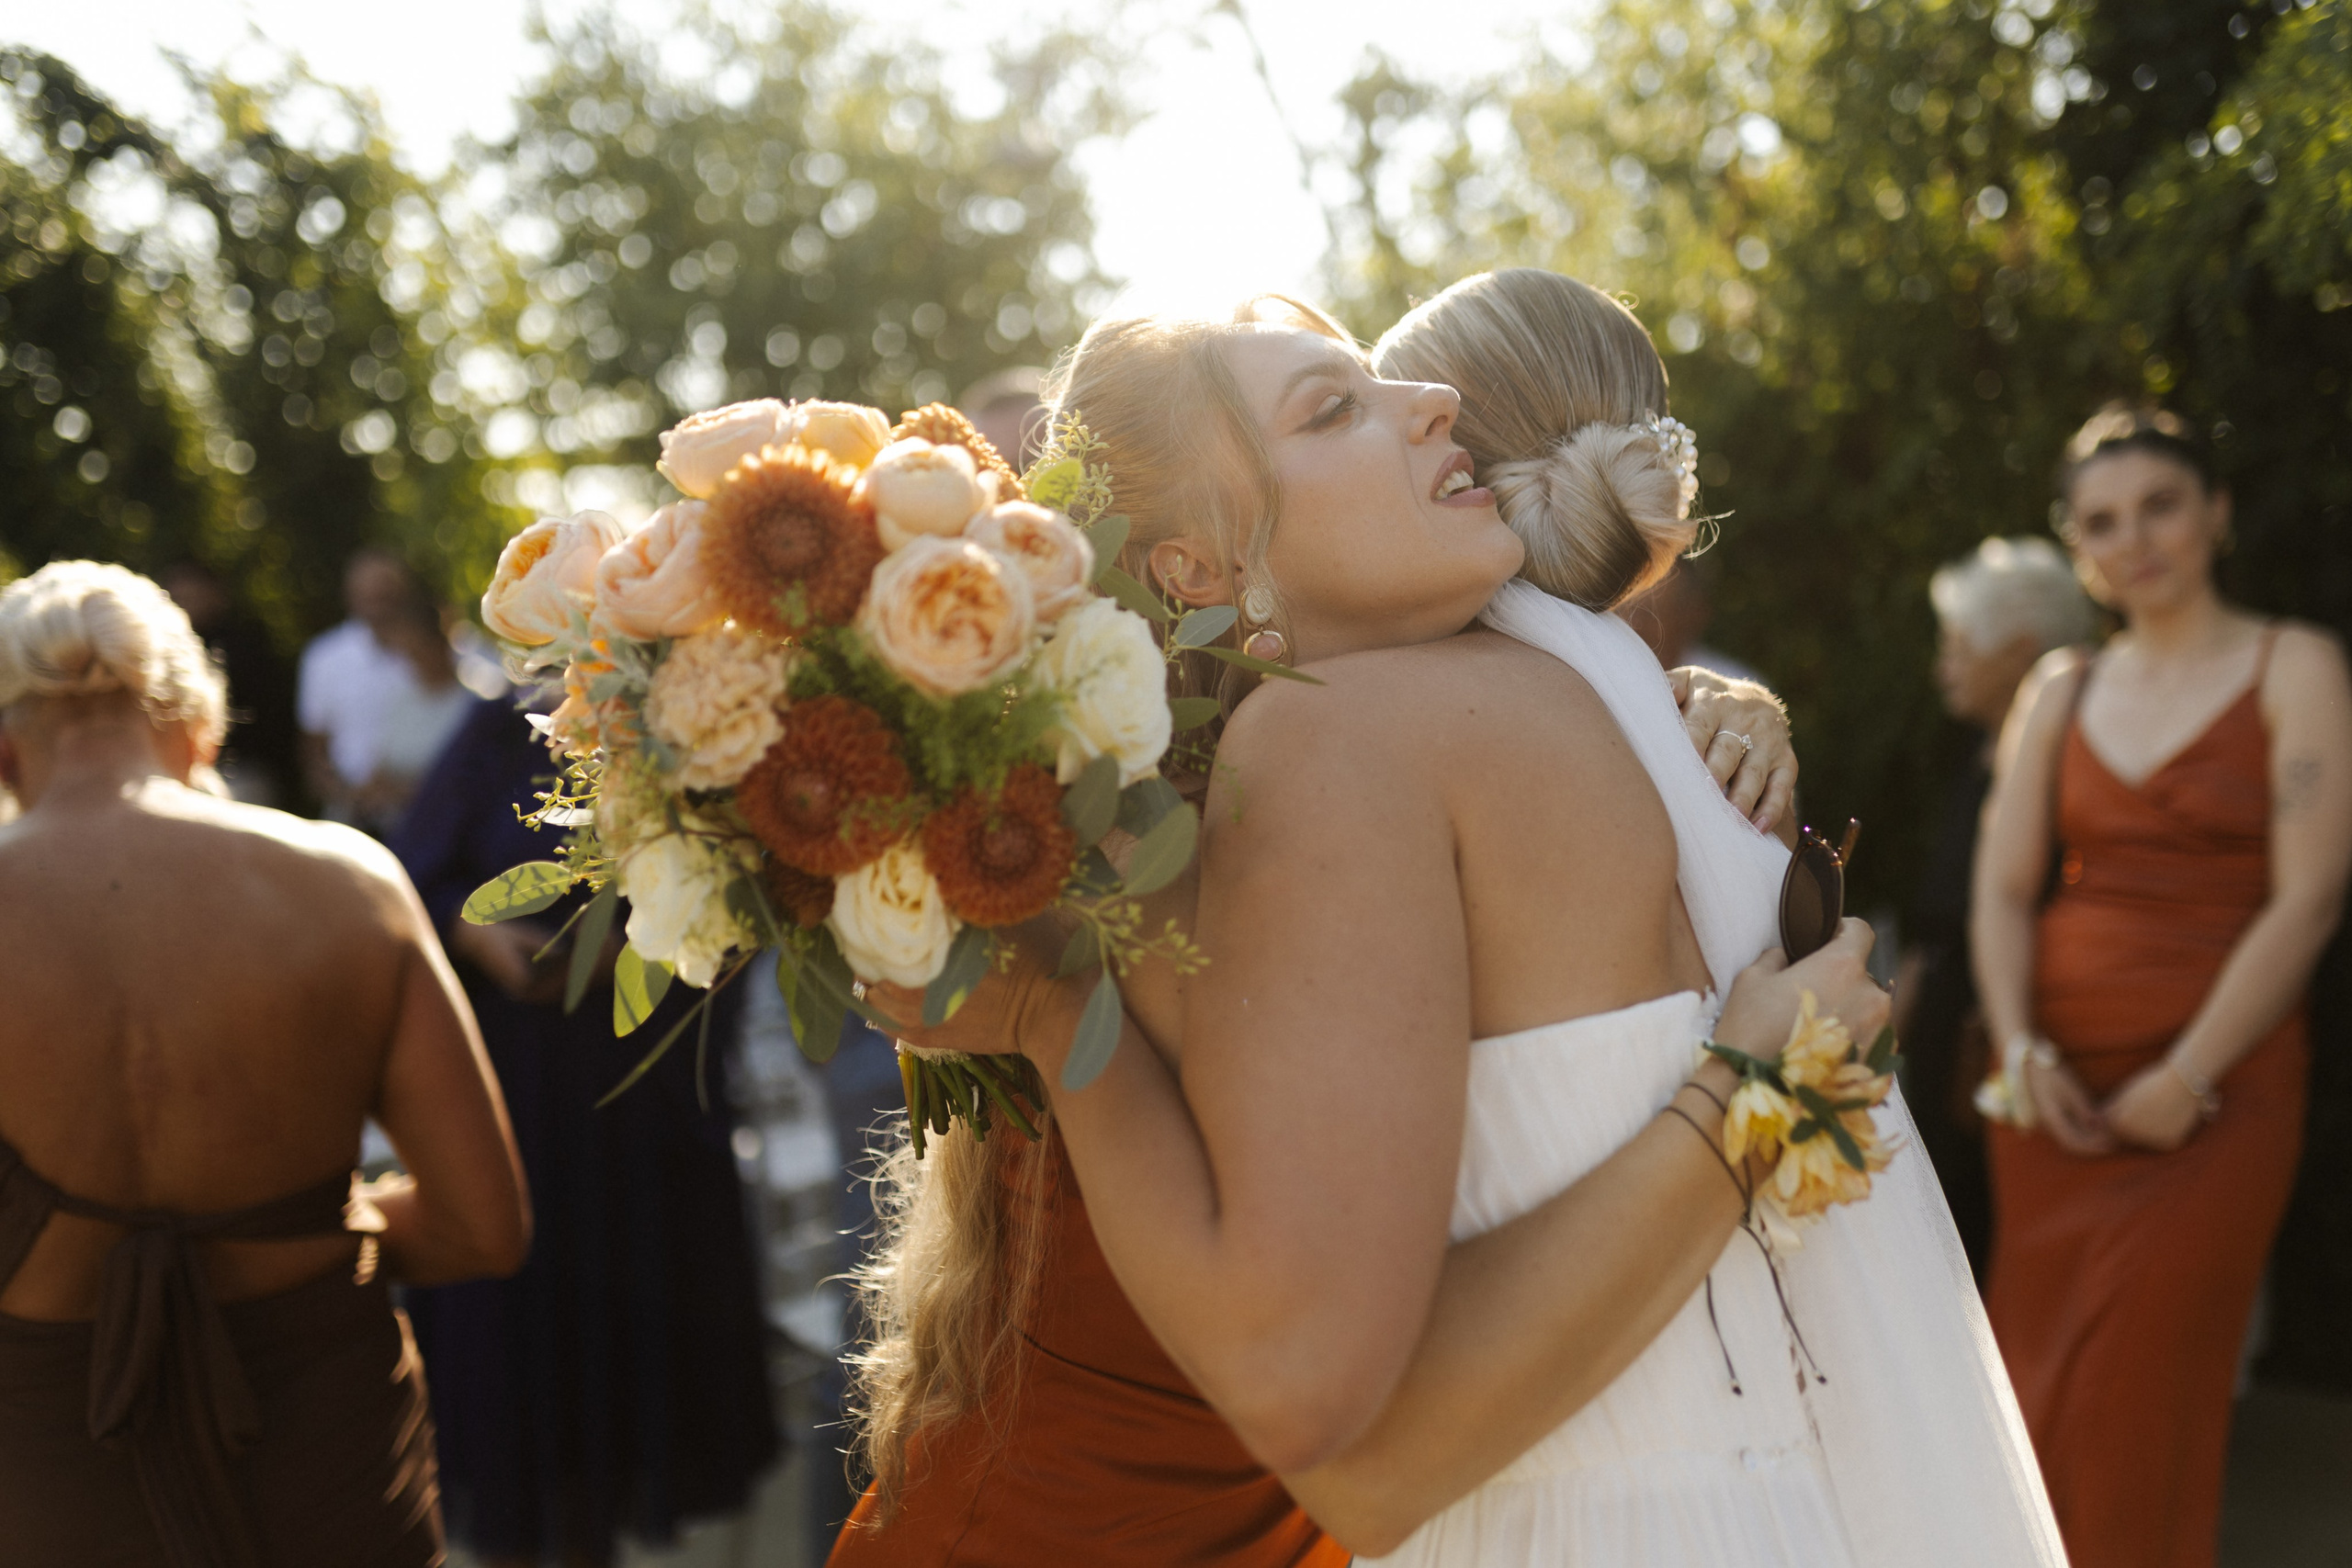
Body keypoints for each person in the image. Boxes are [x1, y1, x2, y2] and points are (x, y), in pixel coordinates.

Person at [845, 274, 2060, 1566]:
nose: (1437, 403)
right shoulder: (1530, 703)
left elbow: (1360, 1456)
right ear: (1197, 563)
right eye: (1334, 409)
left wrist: (1050, 1007)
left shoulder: (1386, 733)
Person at [0, 560, 529, 1567]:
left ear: (3, 751)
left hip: (40, 1508)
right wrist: (301, 1226)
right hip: (327, 1491)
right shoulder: (348, 885)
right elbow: (482, 1229)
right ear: (199, 729)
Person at [1972, 405, 2352, 1568]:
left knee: (2142, 1396)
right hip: (2050, 1102)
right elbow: (2000, 894)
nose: (2134, 539)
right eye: (2102, 521)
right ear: (2076, 549)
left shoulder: (2296, 665)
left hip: (2217, 1098)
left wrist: (2189, 1075)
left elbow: (2310, 898)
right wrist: (2023, 1051)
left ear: (2216, 513)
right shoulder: (2059, 687)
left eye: (2160, 505)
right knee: (2031, 1393)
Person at [391, 694, 781, 1568]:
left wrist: (634, 950)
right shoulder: (499, 729)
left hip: (642, 1115)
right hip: (517, 1106)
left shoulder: (696, 724)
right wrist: (482, 938)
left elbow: (757, 896)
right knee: (519, 1382)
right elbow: (414, 874)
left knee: (631, 1366)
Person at [1893, 537, 2093, 1278]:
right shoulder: (1977, 754)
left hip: (2010, 1047)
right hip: (1952, 1040)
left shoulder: (2069, 760)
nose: (1945, 663)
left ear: (2021, 652)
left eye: (1959, 644)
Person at [158, 559, 302, 809]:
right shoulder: (162, 649)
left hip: (243, 774)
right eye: (178, 598)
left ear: (215, 595)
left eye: (191, 596)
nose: (185, 606)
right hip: (177, 775)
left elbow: (272, 720)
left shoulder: (246, 649)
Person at [299, 548, 424, 826]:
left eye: (386, 595)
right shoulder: (324, 656)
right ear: (350, 597)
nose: (378, 605)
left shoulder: (437, 654)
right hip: (349, 815)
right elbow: (314, 749)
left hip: (424, 812)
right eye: (369, 596)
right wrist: (347, 795)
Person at [353, 590, 486, 836]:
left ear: (440, 643)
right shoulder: (401, 700)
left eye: (418, 649)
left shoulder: (475, 702)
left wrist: (404, 792)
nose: (413, 660)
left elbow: (469, 783)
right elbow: (380, 766)